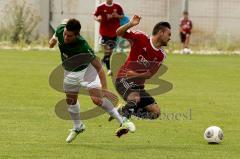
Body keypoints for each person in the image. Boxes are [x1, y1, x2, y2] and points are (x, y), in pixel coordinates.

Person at [48, 18, 135, 142]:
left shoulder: (83, 46)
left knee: (97, 100)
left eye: (70, 36)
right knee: (71, 101)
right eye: (65, 34)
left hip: (87, 71)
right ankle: (78, 127)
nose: (66, 37)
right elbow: (60, 28)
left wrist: (104, 89)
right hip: (70, 72)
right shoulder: (61, 29)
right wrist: (53, 39)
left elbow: (99, 67)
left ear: (77, 35)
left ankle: (122, 121)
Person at [111, 15, 171, 122]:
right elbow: (118, 33)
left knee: (155, 112)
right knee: (135, 98)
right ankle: (125, 124)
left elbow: (149, 74)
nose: (170, 37)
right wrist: (130, 24)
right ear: (161, 32)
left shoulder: (161, 55)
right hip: (123, 79)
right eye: (168, 34)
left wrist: (135, 75)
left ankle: (121, 111)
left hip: (138, 87)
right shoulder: (141, 38)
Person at [93, 0, 124, 75]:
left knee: (110, 52)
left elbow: (122, 16)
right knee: (107, 51)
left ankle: (101, 62)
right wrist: (98, 19)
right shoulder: (100, 7)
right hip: (104, 32)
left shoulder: (117, 6)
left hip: (114, 32)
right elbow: (94, 15)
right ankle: (109, 70)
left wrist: (117, 16)